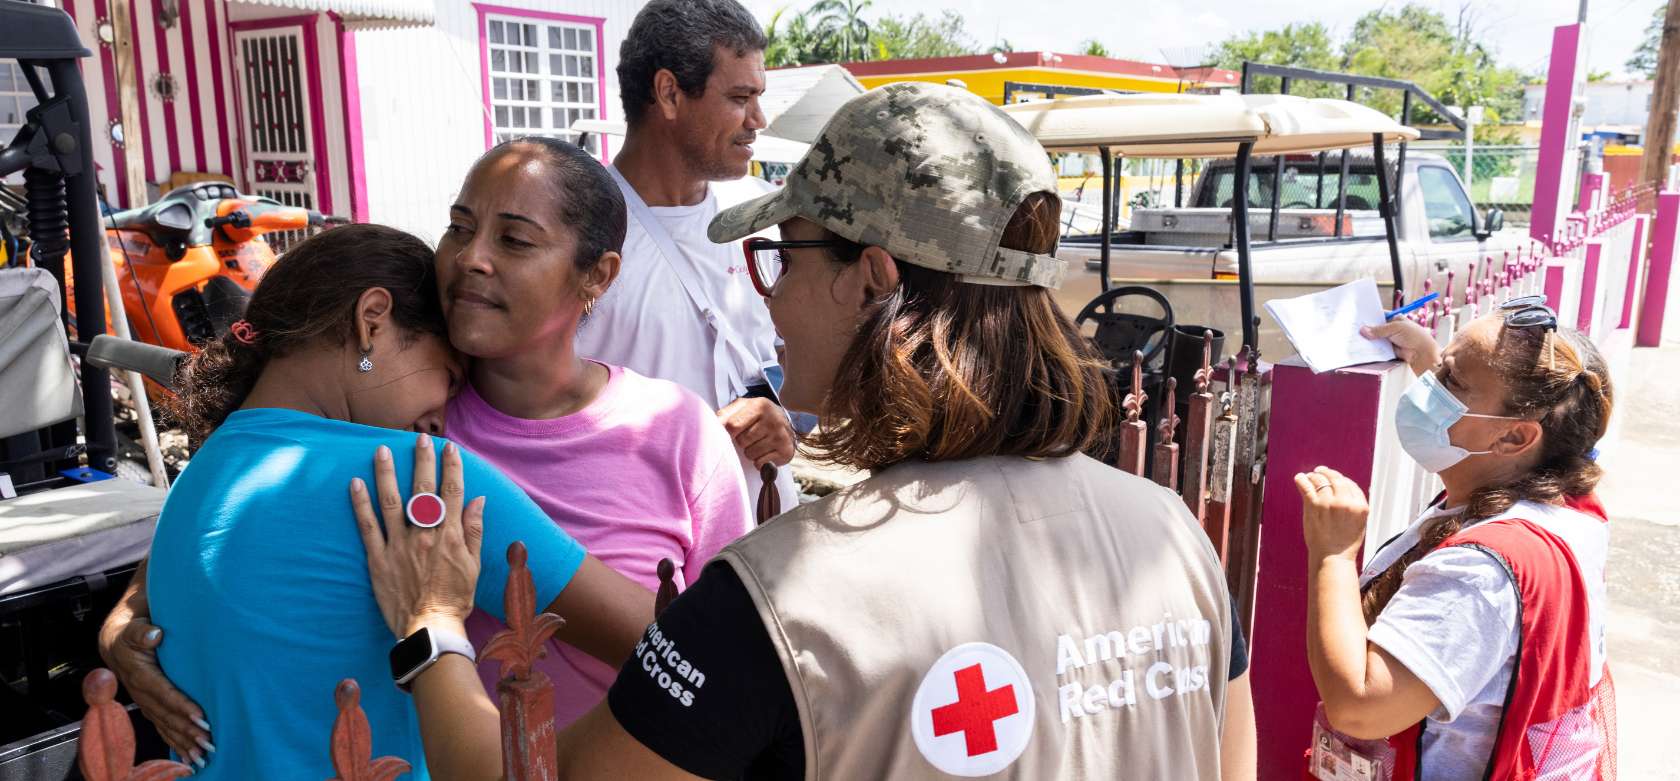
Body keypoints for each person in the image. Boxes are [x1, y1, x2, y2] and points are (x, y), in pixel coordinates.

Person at [351, 83, 1255, 780]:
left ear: (870, 279)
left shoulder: (786, 597)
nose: (768, 292)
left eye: (783, 254)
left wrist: (432, 626)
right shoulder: (1173, 539)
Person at [99, 139, 754, 745]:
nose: (472, 257)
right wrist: (127, 619)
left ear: (597, 275)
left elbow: (729, 648)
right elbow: (256, 525)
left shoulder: (673, 430)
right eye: (459, 227)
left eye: (516, 239)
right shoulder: (398, 444)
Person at [109, 224, 652, 779]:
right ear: (372, 320)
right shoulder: (413, 478)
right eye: (449, 377)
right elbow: (670, 642)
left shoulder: (197, 478)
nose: (445, 416)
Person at [1298, 302, 1615, 780]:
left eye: (1451, 381)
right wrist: (1431, 359)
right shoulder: (1562, 500)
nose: (1429, 389)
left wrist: (1334, 555)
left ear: (1514, 438)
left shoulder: (1478, 574)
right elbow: (1478, 422)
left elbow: (1360, 706)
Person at [580, 0, 799, 516]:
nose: (758, 120)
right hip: (647, 552)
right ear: (670, 94)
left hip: (764, 541)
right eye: (740, 97)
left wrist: (787, 421)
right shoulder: (577, 228)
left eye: (758, 97)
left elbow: (797, 359)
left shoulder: (761, 214)